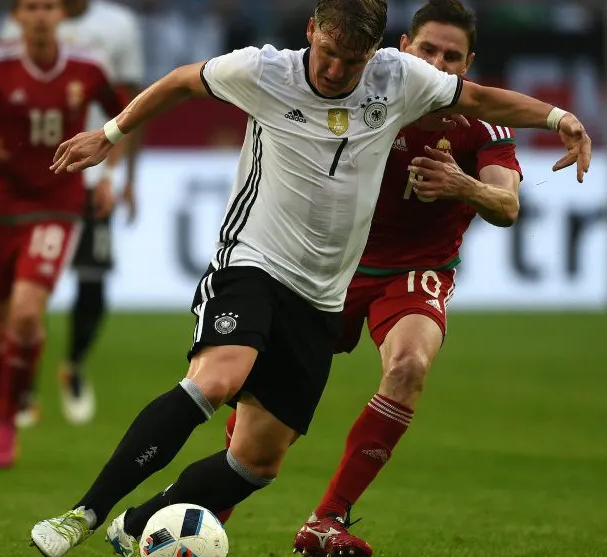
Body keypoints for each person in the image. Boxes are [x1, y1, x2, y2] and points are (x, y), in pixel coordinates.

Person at [28, 0, 591, 555]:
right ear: (310, 31)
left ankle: (135, 524)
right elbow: (181, 81)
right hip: (254, 261)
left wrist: (559, 119)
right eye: (327, 53)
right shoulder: (264, 71)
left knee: (257, 462)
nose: (335, 70)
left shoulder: (401, 79)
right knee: (216, 378)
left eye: (352, 60)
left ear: (374, 53)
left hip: (322, 294)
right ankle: (83, 514)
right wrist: (109, 134)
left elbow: (484, 100)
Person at [215, 1, 521, 554]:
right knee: (260, 399)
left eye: (453, 57)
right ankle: (211, 508)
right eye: (428, 50)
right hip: (331, 267)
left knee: (409, 365)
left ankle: (327, 519)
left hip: (415, 271)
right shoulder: (367, 93)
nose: (439, 64)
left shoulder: (481, 124)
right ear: (403, 49)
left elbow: (507, 204)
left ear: (469, 63)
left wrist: (465, 186)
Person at [0, 0, 124, 471]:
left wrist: (109, 176)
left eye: (48, 6)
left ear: (61, 15)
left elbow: (123, 118)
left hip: (57, 204)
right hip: (2, 207)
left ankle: (9, 420)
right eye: (31, 7)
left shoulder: (90, 65)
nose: (41, 15)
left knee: (25, 313)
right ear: (18, 16)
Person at [0, 0, 144, 427]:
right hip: (35, 180)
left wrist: (121, 177)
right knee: (26, 288)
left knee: (92, 280)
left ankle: (74, 364)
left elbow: (133, 108)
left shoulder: (119, 25)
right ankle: (25, 381)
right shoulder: (19, 23)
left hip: (94, 176)